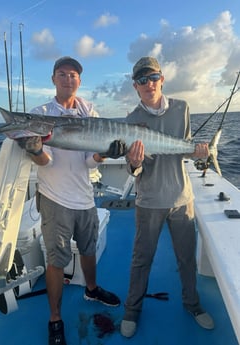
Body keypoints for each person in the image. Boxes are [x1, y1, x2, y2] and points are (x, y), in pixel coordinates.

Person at [18, 56, 126, 345]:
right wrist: (35, 150)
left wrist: (105, 153)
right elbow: (45, 161)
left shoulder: (88, 110)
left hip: (84, 196)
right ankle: (55, 318)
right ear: (53, 78)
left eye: (73, 75)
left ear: (80, 80)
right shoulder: (40, 113)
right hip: (54, 199)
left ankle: (91, 288)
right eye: (62, 74)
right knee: (56, 260)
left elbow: (90, 162)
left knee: (89, 249)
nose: (68, 79)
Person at [120, 56, 215, 338]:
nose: (148, 84)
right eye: (141, 80)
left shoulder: (182, 108)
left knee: (186, 258)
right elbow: (134, 168)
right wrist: (135, 162)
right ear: (135, 86)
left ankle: (192, 304)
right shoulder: (131, 121)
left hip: (180, 197)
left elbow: (182, 148)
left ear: (162, 79)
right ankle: (132, 310)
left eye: (152, 78)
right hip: (148, 200)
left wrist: (197, 152)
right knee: (141, 259)